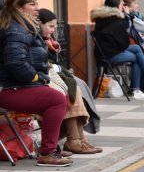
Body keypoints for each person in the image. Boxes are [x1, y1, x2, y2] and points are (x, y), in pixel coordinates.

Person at [0, 0, 71, 166]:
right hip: (9, 88)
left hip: (16, 85)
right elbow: (15, 63)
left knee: (60, 94)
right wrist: (35, 78)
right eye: (32, 4)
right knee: (56, 99)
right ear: (18, 7)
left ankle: (52, 147)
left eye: (37, 3)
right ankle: (47, 152)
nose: (37, 8)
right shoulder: (15, 29)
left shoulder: (21, 25)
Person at [38, 9, 102, 155]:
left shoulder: (48, 41)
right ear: (39, 24)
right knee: (71, 88)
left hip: (47, 76)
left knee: (78, 85)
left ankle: (79, 138)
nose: (54, 30)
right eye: (51, 26)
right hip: (36, 81)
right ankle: (74, 140)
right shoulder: (31, 38)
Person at [92, 0, 144, 99]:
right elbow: (124, 43)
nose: (123, 6)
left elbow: (120, 42)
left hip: (103, 52)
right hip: (110, 55)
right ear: (116, 7)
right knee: (136, 57)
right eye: (121, 4)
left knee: (137, 49)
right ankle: (138, 87)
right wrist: (127, 16)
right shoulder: (116, 20)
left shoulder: (102, 19)